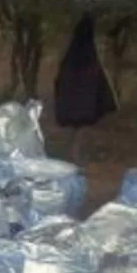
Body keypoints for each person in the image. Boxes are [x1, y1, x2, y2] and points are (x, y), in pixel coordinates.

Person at [54, 12, 117, 164]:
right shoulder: (88, 51)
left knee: (77, 129)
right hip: (84, 101)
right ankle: (74, 156)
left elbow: (62, 76)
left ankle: (73, 154)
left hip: (73, 99)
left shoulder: (71, 51)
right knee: (80, 128)